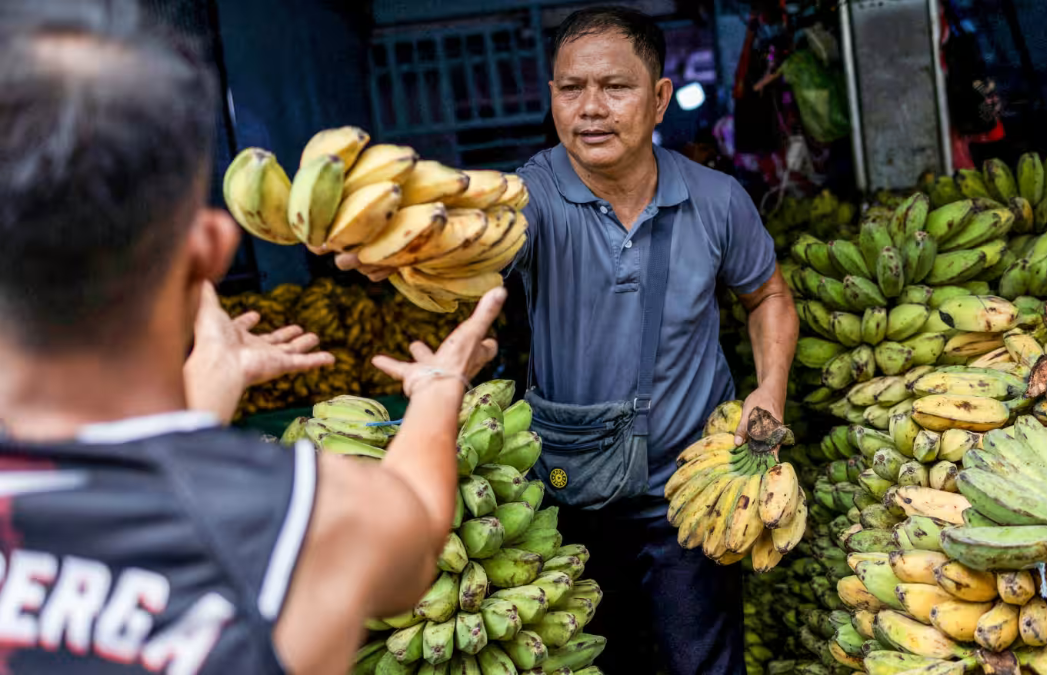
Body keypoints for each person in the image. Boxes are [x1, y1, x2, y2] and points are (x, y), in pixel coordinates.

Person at [0, 3, 505, 674]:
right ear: (209, 249)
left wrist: (212, 378)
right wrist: (439, 386)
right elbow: (414, 532)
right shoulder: (301, 518)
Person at [335, 6, 800, 673]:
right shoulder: (529, 200)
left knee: (701, 658)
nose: (590, 108)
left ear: (660, 98)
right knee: (590, 656)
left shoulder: (717, 200)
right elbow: (462, 254)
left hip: (691, 482)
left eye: (615, 87)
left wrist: (771, 390)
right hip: (569, 484)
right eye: (569, 88)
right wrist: (398, 252)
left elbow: (769, 295)